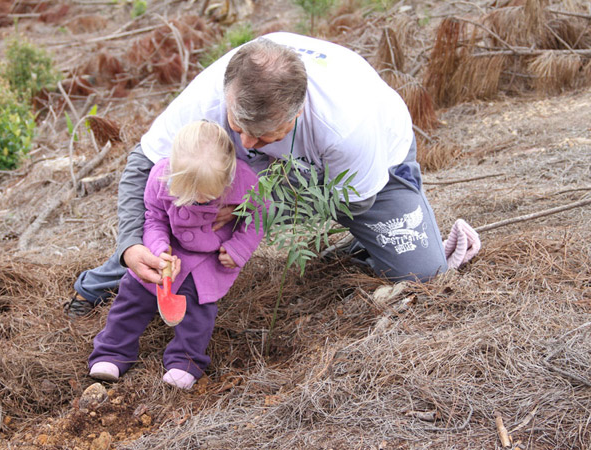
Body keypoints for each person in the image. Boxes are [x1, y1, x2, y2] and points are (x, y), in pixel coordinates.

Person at [65, 31, 448, 318]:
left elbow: (354, 198)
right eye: (237, 126)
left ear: (296, 114)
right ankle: (99, 284)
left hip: (367, 173)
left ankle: (365, 244)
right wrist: (132, 243)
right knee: (183, 206)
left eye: (263, 135)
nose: (246, 143)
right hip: (293, 163)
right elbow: (145, 166)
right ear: (228, 95)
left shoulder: (347, 126)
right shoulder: (215, 95)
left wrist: (249, 208)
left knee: (423, 271)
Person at [87, 121, 264, 389]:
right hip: (171, 250)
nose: (198, 200)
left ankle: (186, 360)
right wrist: (159, 248)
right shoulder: (161, 175)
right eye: (189, 194)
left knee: (197, 306)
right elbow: (154, 217)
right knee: (133, 293)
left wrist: (238, 248)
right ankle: (112, 352)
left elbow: (260, 215)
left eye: (207, 197)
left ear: (227, 177)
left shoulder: (245, 181)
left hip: (210, 255)